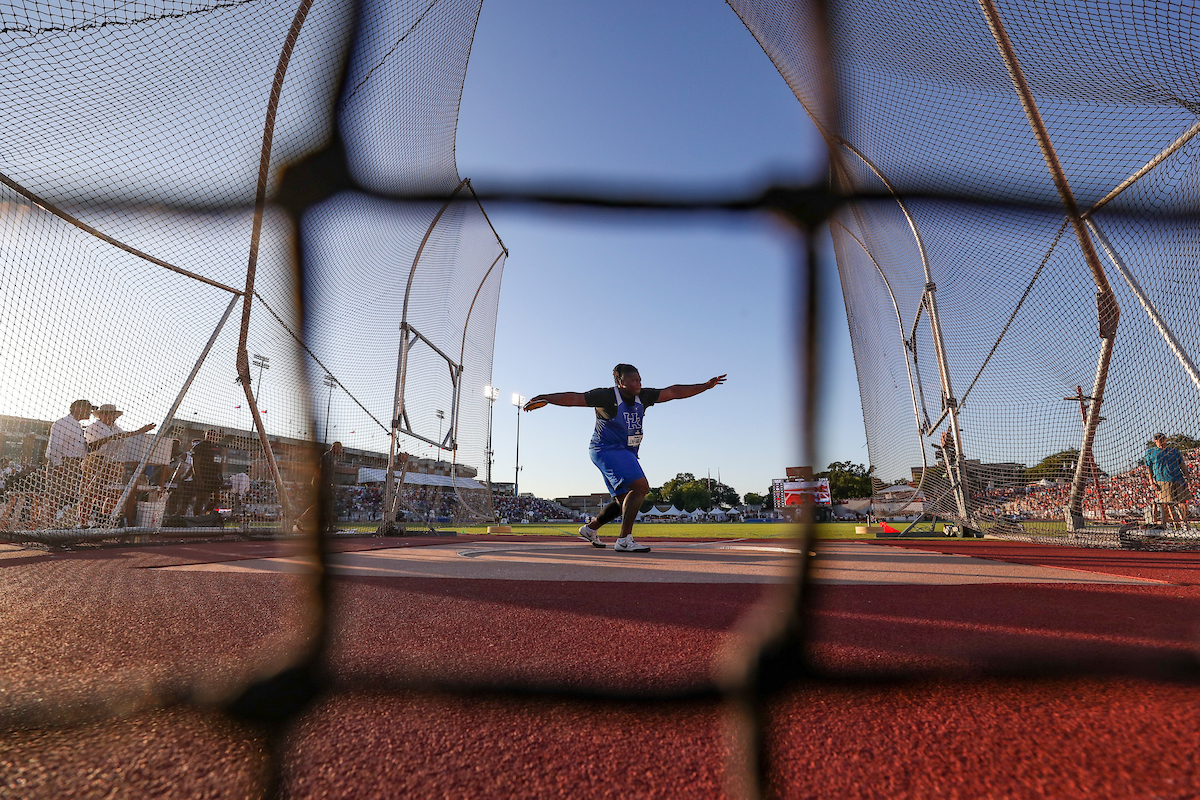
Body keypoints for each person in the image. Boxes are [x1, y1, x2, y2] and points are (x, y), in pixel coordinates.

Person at [524, 364, 726, 552]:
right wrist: (546, 398)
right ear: (620, 383)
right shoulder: (606, 396)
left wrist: (705, 386)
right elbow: (575, 398)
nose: (638, 383)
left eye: (639, 379)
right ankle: (624, 540)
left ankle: (590, 529)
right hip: (606, 449)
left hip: (625, 452)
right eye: (633, 380)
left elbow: (673, 392)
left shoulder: (644, 396)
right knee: (640, 487)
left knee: (624, 502)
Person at [80, 403, 154, 526]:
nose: (110, 416)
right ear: (101, 415)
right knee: (89, 493)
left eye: (112, 414)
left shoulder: (117, 428)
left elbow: (122, 439)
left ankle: (104, 521)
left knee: (113, 492)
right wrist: (136, 432)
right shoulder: (93, 427)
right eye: (106, 413)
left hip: (113, 463)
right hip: (95, 461)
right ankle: (83, 522)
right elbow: (93, 446)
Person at [44, 399, 92, 522]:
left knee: (63, 496)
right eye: (87, 409)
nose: (90, 412)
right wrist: (58, 464)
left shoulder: (76, 424)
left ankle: (52, 523)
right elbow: (56, 445)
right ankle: (46, 524)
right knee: (54, 496)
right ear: (77, 409)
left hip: (73, 463)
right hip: (64, 463)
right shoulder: (64, 423)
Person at [1145, 432, 1190, 528]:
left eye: (1162, 438)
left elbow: (1182, 465)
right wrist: (1151, 482)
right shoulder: (1150, 452)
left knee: (1183, 502)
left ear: (1166, 439)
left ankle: (1185, 523)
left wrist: (1188, 478)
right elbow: (1149, 468)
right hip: (1162, 480)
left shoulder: (1174, 451)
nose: (1160, 441)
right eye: (1158, 439)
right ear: (1154, 441)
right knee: (1165, 504)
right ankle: (1168, 525)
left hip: (1178, 479)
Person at [318, 441, 343, 532]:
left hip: (324, 484)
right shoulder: (328, 456)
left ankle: (328, 525)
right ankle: (330, 525)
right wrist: (329, 483)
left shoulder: (330, 456)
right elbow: (325, 472)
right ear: (335, 448)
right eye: (339, 449)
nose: (340, 451)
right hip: (324, 484)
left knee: (324, 505)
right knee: (329, 504)